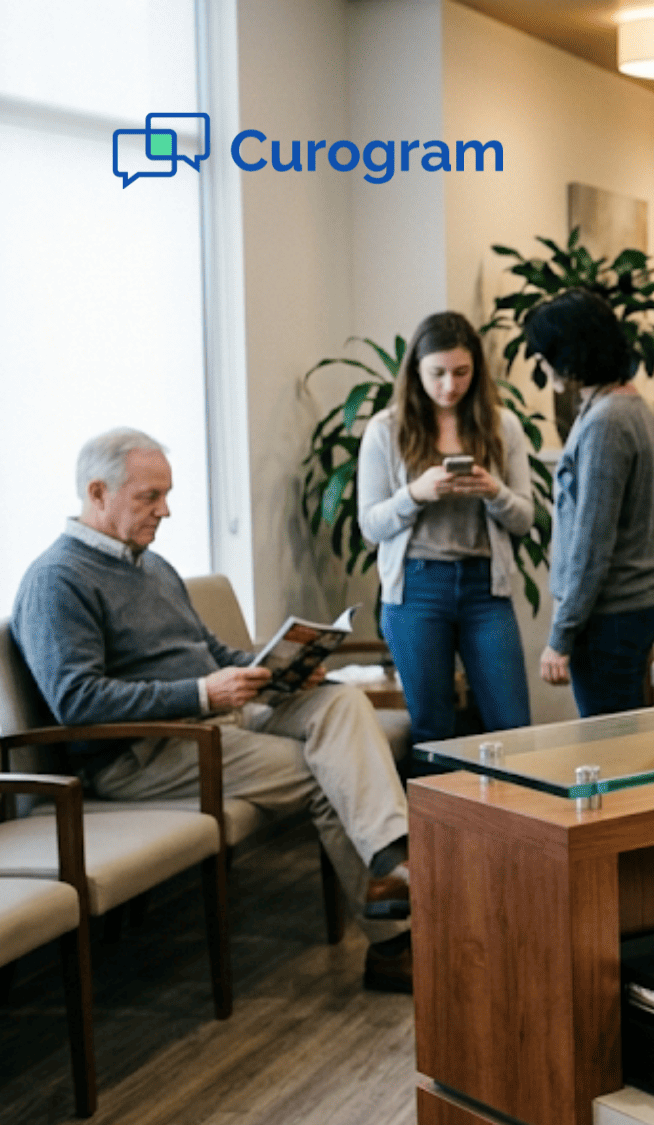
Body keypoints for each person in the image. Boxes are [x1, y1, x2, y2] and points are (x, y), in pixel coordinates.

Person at [12, 429, 414, 992]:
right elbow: (78, 702)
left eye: (166, 495)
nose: (166, 511)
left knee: (338, 701)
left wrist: (279, 666)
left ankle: (392, 863)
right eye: (149, 497)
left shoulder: (152, 566)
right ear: (97, 493)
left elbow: (211, 654)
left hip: (211, 723)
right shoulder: (56, 580)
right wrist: (203, 694)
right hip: (141, 754)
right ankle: (395, 948)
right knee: (331, 774)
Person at [357, 311, 534, 751]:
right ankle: (439, 824)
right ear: (416, 370)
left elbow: (525, 518)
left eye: (461, 373)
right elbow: (371, 524)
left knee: (513, 726)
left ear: (476, 369)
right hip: (417, 588)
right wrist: (415, 493)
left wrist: (493, 491)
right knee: (433, 729)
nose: (449, 386)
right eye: (436, 373)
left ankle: (514, 822)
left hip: (484, 589)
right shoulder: (385, 430)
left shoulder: (502, 425)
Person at [525, 290, 654, 717]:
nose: (543, 364)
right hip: (632, 607)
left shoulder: (606, 422)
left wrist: (560, 636)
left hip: (609, 616)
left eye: (546, 354)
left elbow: (592, 543)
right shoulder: (631, 406)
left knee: (609, 752)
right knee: (622, 743)